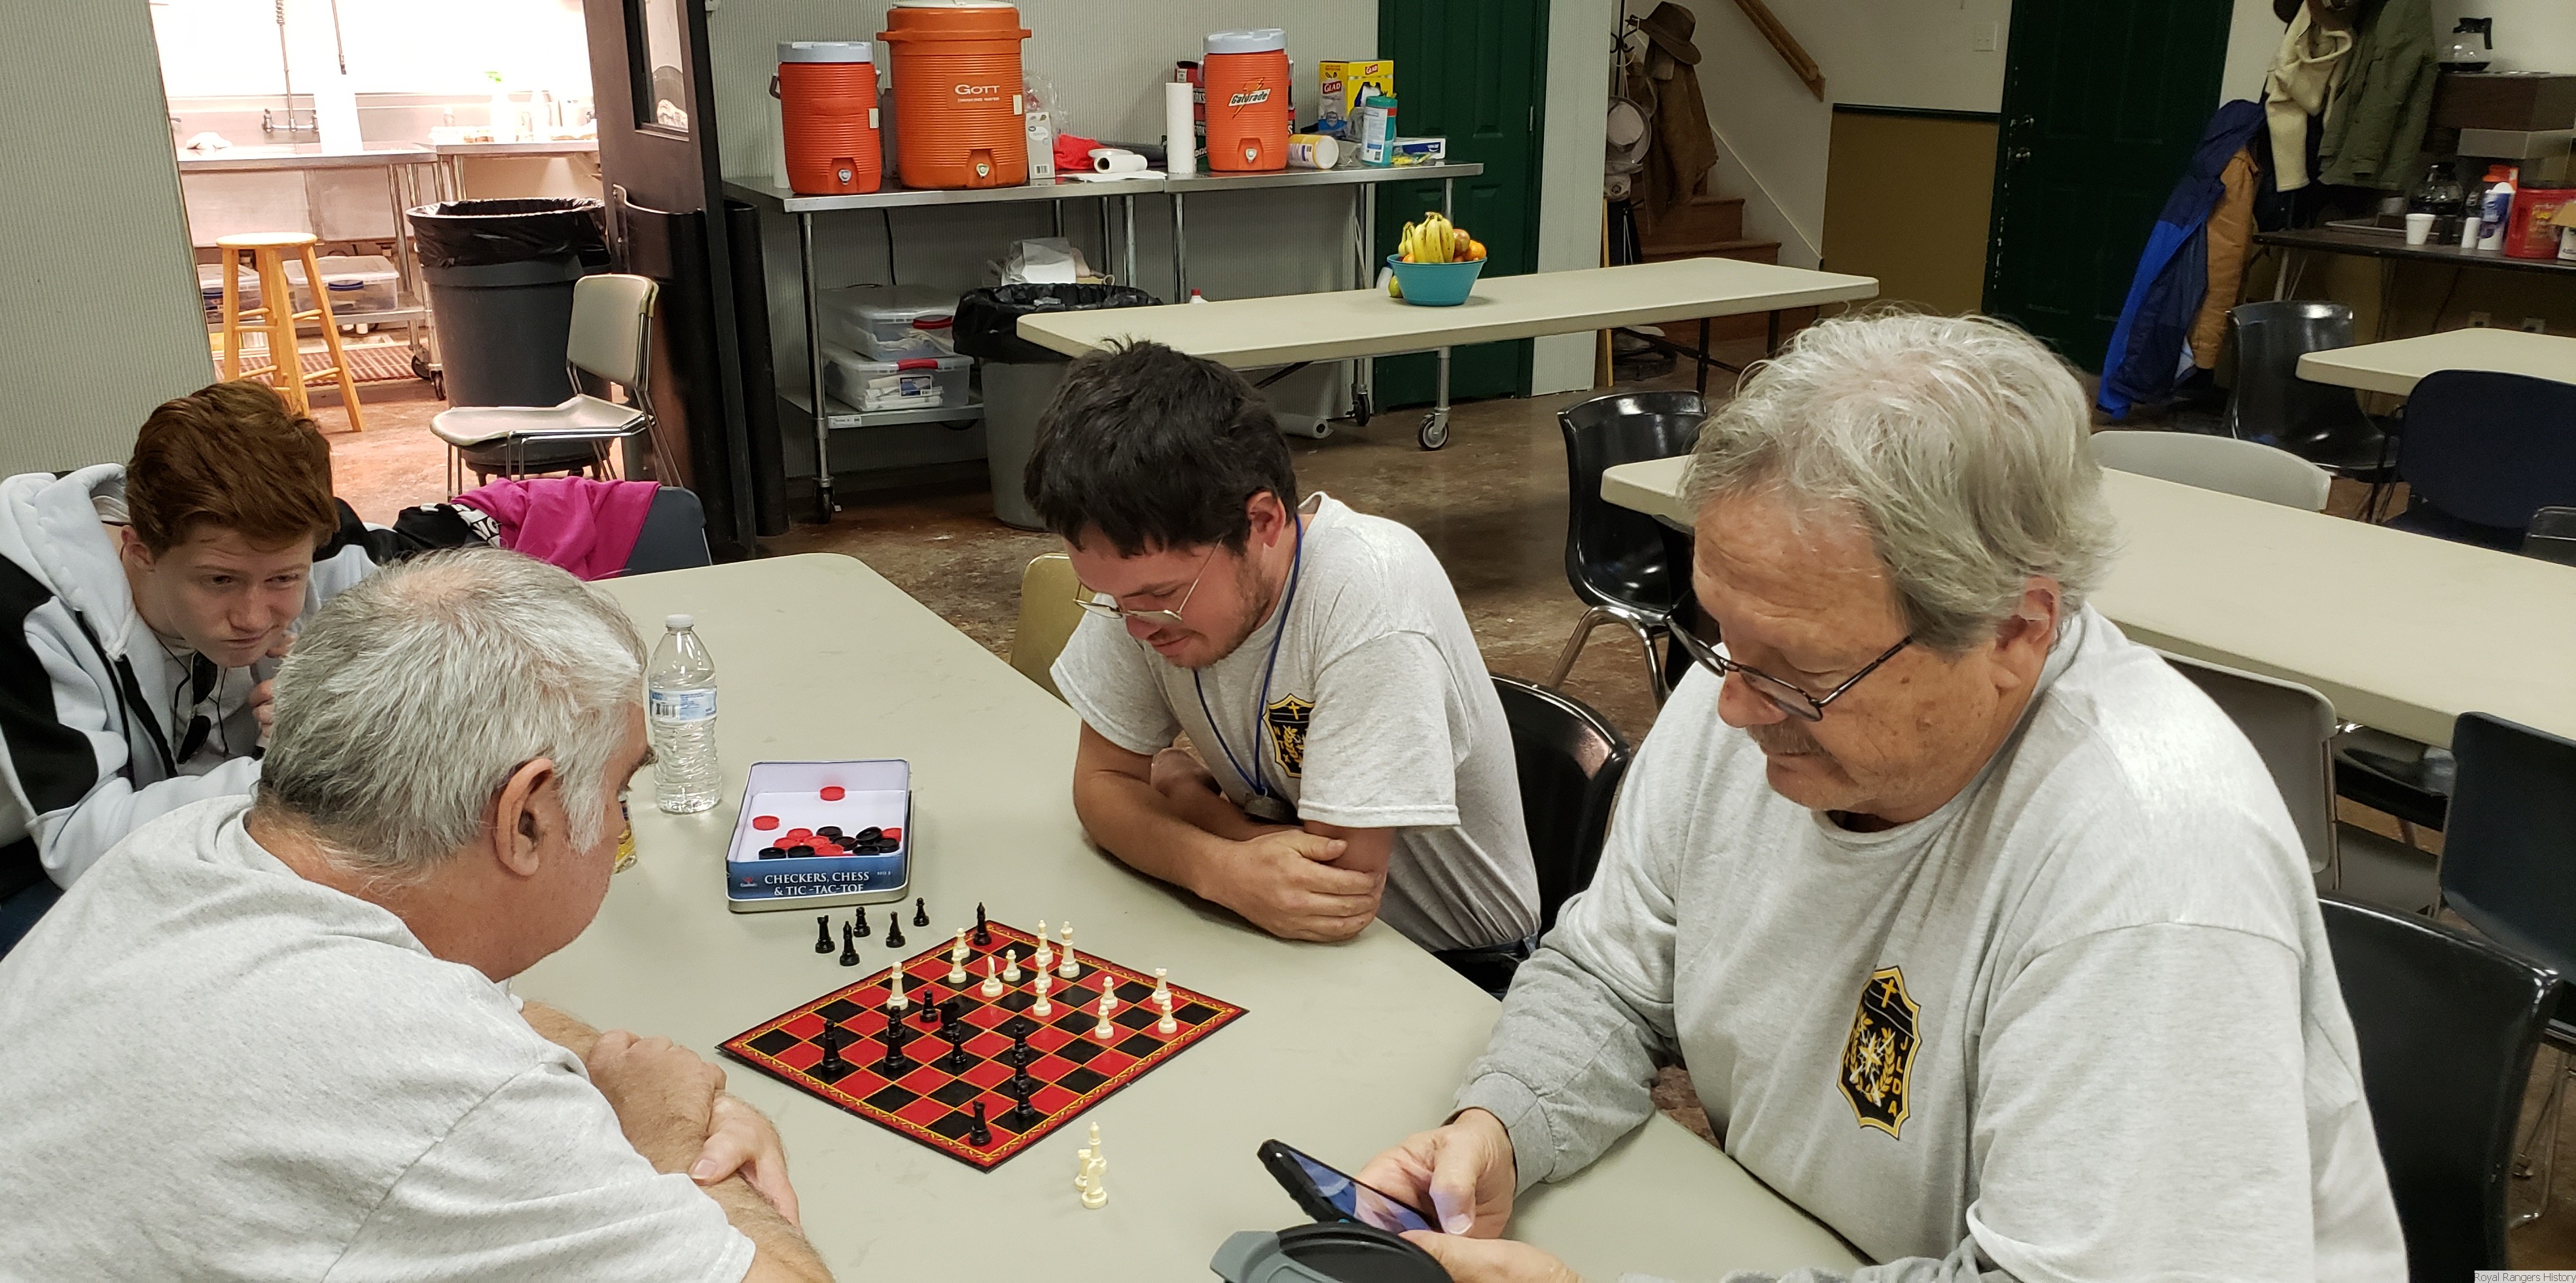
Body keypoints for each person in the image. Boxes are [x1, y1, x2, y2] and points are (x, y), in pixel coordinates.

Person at [1358, 314, 2406, 1281]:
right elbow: (1610, 975)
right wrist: (1501, 1124)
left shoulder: (2152, 869)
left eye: (1802, 671)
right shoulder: (1760, 681)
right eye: (1719, 633)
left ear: (2014, 632)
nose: (1730, 706)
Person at [0, 549, 829, 1282]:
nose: (620, 822)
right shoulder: (426, 1080)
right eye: (620, 790)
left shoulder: (195, 848)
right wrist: (671, 1135)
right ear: (526, 817)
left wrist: (609, 1072)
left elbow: (486, 1021)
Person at [1026, 341, 1539, 988]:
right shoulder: (1144, 586)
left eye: (1160, 596)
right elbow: (1101, 785)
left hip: (1454, 970)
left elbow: (1331, 889)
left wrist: (1186, 798)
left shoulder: (1371, 594)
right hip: (1291, 941)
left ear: (1263, 520)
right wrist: (1216, 867)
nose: (1134, 625)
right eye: (1112, 598)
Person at [0, 380, 400, 985]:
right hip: (10, 869)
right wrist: (302, 760)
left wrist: (346, 700)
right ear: (140, 550)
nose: (253, 617)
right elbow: (83, 844)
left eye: (284, 580)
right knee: (217, 978)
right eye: (219, 581)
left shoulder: (323, 543)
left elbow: (433, 682)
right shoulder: (12, 599)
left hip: (211, 816)